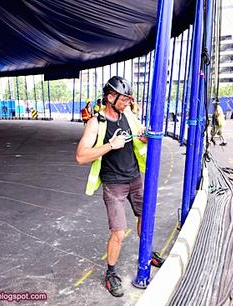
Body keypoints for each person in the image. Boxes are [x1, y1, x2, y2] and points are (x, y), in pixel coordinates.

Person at [75, 76, 164, 297]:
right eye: (124, 99)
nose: (127, 103)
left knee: (145, 216)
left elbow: (139, 135)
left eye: (128, 99)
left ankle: (146, 253)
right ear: (110, 97)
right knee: (118, 231)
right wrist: (109, 145)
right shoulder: (96, 123)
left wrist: (142, 138)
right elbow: (80, 156)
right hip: (114, 185)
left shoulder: (128, 115)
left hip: (135, 178)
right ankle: (111, 273)